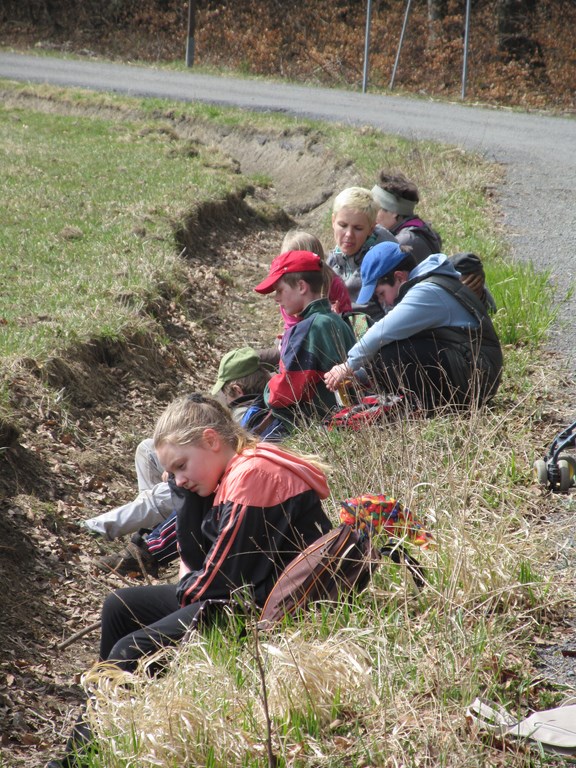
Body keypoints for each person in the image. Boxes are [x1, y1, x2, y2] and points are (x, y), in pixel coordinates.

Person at [46, 394, 333, 768]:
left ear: (211, 440)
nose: (179, 478)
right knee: (120, 606)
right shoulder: (230, 473)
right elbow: (200, 561)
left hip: (267, 608)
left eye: (182, 466)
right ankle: (107, 731)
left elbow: (216, 582)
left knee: (130, 649)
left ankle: (81, 758)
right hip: (244, 593)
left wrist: (187, 587)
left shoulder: (253, 476)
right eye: (173, 473)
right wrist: (186, 496)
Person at [85, 348, 274, 577]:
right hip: (209, 462)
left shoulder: (247, 438)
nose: (226, 401)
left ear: (236, 390)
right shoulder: (264, 406)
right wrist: (178, 468)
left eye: (226, 394)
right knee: (148, 451)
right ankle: (153, 532)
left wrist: (177, 477)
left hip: (212, 469)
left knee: (170, 494)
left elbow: (214, 578)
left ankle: (131, 543)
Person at [324, 241, 503, 413]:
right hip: (471, 366)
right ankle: (418, 403)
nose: (385, 302)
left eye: (381, 293)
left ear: (399, 277)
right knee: (389, 352)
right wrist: (361, 373)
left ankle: (426, 406)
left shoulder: (426, 292)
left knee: (390, 357)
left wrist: (347, 366)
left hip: (478, 378)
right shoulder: (426, 283)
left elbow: (382, 332)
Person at [254, 249, 356, 428]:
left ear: (301, 286)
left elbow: (283, 393)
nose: (276, 298)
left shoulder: (306, 330)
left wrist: (267, 390)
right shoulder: (337, 320)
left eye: (280, 290)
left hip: (323, 423)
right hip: (351, 414)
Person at [327, 186, 397, 302]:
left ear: (371, 228)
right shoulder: (334, 259)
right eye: (343, 225)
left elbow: (375, 309)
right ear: (333, 221)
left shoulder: (383, 260)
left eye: (358, 228)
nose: (349, 234)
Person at [279, 230, 351, 335]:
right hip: (298, 332)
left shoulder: (333, 283)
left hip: (329, 332)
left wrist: (337, 316)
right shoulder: (288, 289)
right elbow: (290, 322)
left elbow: (347, 317)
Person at [371, 172, 442, 263]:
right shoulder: (418, 229)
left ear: (394, 212)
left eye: (375, 209)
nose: (370, 214)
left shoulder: (404, 241)